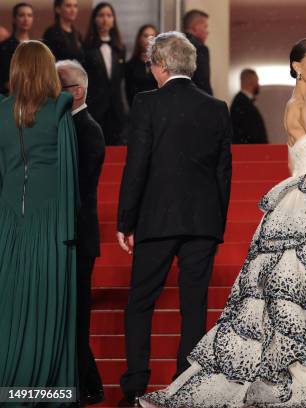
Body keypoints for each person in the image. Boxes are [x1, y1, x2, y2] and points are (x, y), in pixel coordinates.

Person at [138, 38, 306, 408]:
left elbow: (294, 159)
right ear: (296, 66)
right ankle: (305, 374)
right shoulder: (298, 104)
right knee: (300, 293)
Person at [115, 31, 232, 407]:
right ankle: (188, 385)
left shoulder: (146, 104)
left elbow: (136, 166)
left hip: (157, 219)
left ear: (161, 65)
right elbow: (223, 173)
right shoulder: (216, 108)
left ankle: (135, 385)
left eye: (151, 63)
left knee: (140, 302)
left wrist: (125, 221)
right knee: (193, 304)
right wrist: (216, 223)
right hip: (202, 222)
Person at [0, 40, 78, 395]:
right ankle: (47, 390)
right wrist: (68, 228)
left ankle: (9, 385)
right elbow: (69, 174)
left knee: (10, 307)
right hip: (52, 227)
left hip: (8, 225)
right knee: (47, 311)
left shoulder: (1, 112)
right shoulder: (61, 108)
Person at [56, 59, 106, 406]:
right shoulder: (65, 125)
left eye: (59, 87)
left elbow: (80, 188)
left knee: (75, 314)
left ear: (78, 91)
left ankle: (87, 383)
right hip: (67, 236)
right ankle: (83, 381)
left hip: (77, 236)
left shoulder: (87, 128)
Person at [83, 2, 128, 145]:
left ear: (113, 20)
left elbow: (119, 79)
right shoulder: (87, 47)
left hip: (116, 108)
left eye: (109, 15)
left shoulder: (119, 48)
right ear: (94, 19)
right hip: (95, 106)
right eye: (101, 15)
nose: (105, 19)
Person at [0, 3, 34, 95]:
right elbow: (4, 77)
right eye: (21, 15)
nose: (26, 19)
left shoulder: (36, 46)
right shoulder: (4, 47)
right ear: (14, 19)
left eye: (29, 15)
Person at [230, 68, 268, 144]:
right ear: (251, 82)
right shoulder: (242, 103)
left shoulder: (240, 102)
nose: (258, 85)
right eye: (257, 81)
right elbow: (252, 133)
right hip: (250, 153)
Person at [125, 24, 158, 106]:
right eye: (145, 36)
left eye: (152, 36)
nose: (149, 40)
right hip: (138, 109)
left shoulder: (162, 64)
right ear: (139, 39)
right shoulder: (130, 65)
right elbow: (128, 93)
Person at [183, 9, 213, 95]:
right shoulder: (200, 48)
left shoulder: (172, 45)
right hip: (197, 100)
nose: (207, 31)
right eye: (205, 26)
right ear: (196, 27)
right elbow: (203, 81)